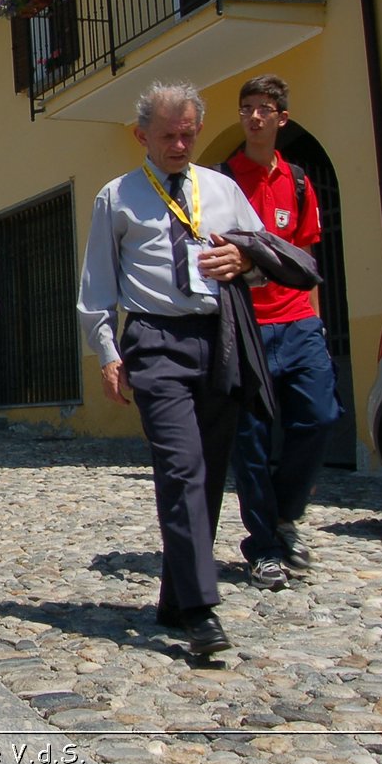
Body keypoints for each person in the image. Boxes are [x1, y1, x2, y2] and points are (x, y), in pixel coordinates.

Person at [76, 81, 264, 656]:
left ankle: (178, 594)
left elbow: (264, 258)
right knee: (180, 468)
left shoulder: (224, 189)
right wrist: (108, 353)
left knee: (208, 471)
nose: (179, 145)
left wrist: (245, 259)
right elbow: (96, 289)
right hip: (155, 340)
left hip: (221, 336)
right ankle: (204, 611)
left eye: (187, 134)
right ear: (141, 136)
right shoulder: (117, 197)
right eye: (167, 136)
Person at [224, 74, 341, 588]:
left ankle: (284, 513)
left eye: (264, 108)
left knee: (318, 418)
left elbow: (307, 258)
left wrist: (315, 317)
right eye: (247, 107)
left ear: (280, 117)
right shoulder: (222, 180)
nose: (254, 116)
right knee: (249, 440)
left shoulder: (297, 181)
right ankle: (264, 546)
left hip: (298, 323)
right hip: (246, 326)